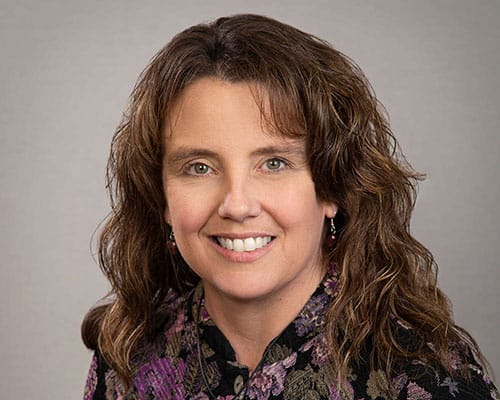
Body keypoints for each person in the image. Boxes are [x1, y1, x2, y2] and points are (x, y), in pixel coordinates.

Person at [82, 14, 497, 400]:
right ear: (164, 198)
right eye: (200, 167)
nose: (237, 204)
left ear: (332, 187)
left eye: (274, 163)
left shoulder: (424, 375)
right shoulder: (126, 356)